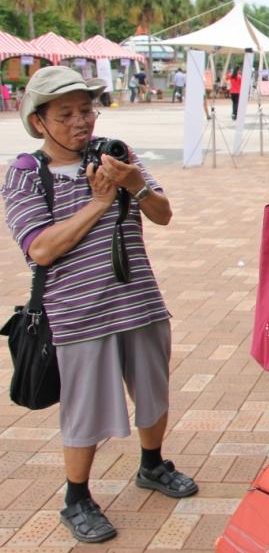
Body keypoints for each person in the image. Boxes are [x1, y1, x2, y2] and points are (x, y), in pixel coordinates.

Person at [2, 66, 196, 545]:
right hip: (78, 315)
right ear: (38, 121)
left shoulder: (117, 154)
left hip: (140, 304)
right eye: (65, 114)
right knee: (84, 412)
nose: (80, 121)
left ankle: (152, 466)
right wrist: (98, 201)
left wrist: (134, 183)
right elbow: (41, 249)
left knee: (154, 395)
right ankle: (77, 498)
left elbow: (163, 214)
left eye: (85, 110)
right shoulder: (28, 174)